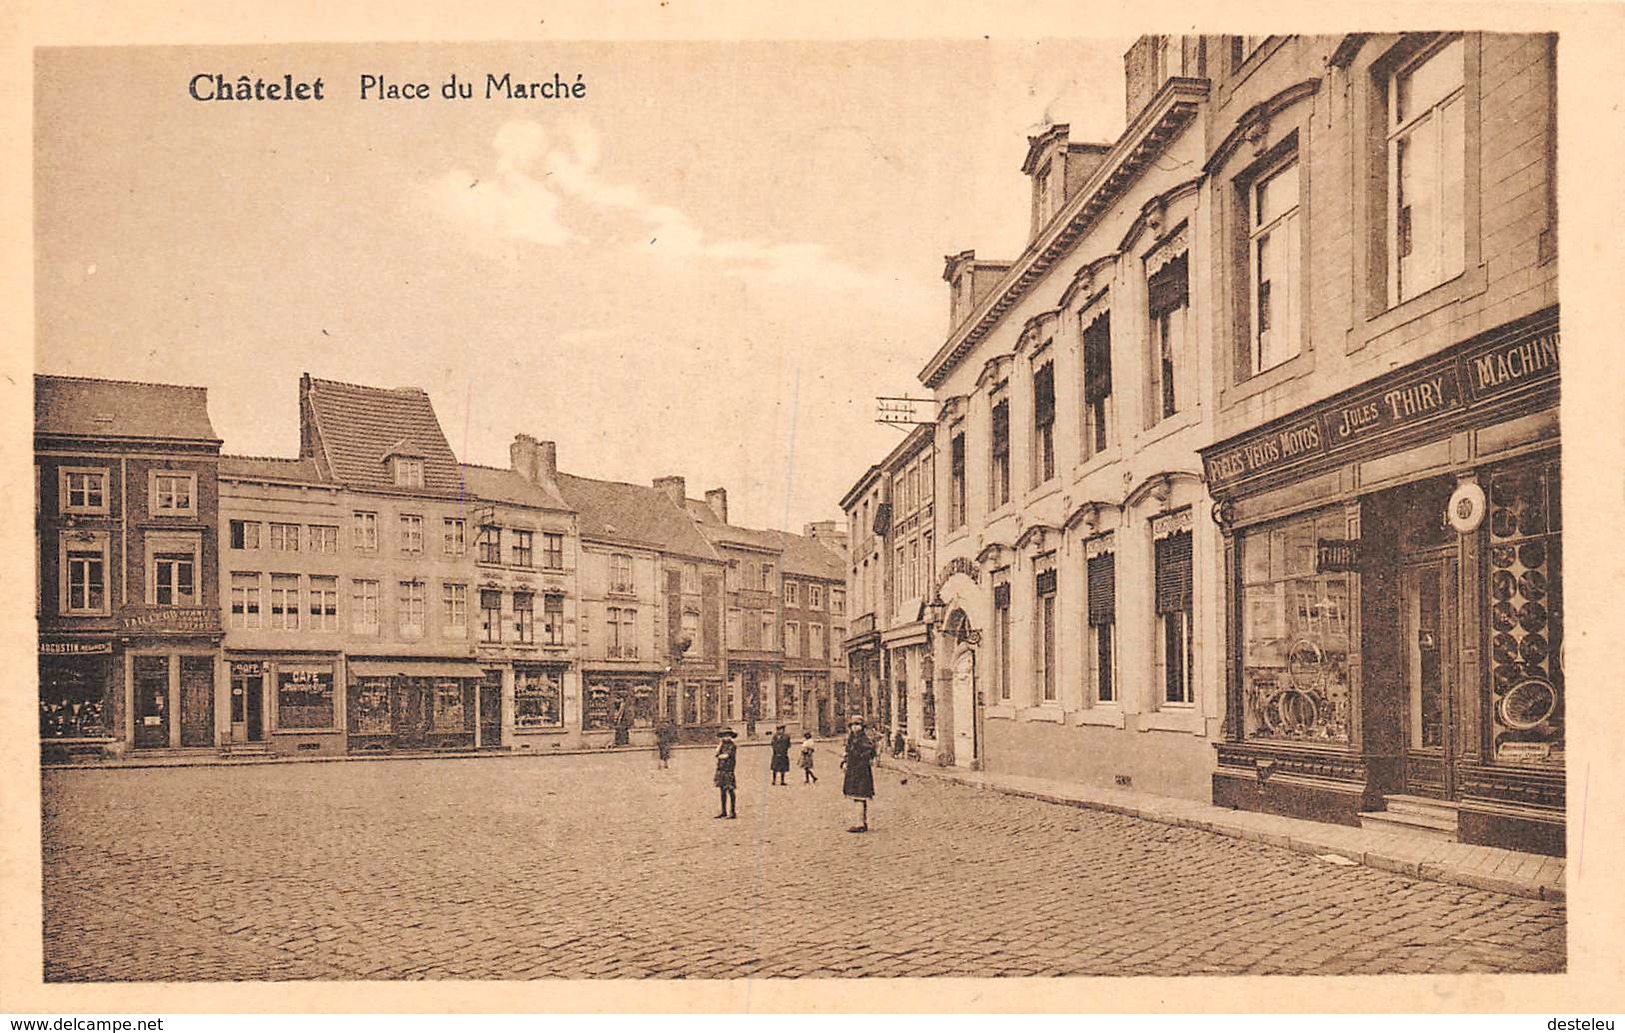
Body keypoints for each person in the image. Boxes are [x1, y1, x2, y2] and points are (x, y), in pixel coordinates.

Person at [839, 717, 876, 832]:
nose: (855, 727)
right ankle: (862, 822)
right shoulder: (852, 739)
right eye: (853, 725)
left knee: (860, 796)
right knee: (857, 796)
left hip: (861, 770)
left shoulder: (863, 739)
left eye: (857, 725)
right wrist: (845, 761)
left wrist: (858, 757)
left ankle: (860, 823)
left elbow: (870, 752)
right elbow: (847, 752)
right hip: (853, 770)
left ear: (862, 727)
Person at [713, 728, 738, 819]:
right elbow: (716, 752)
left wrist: (719, 756)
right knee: (722, 791)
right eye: (724, 736)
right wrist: (720, 744)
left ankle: (733, 811)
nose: (726, 737)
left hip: (728, 770)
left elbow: (726, 756)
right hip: (721, 769)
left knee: (730, 790)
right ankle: (723, 811)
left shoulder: (732, 746)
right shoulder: (722, 745)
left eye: (728, 735)